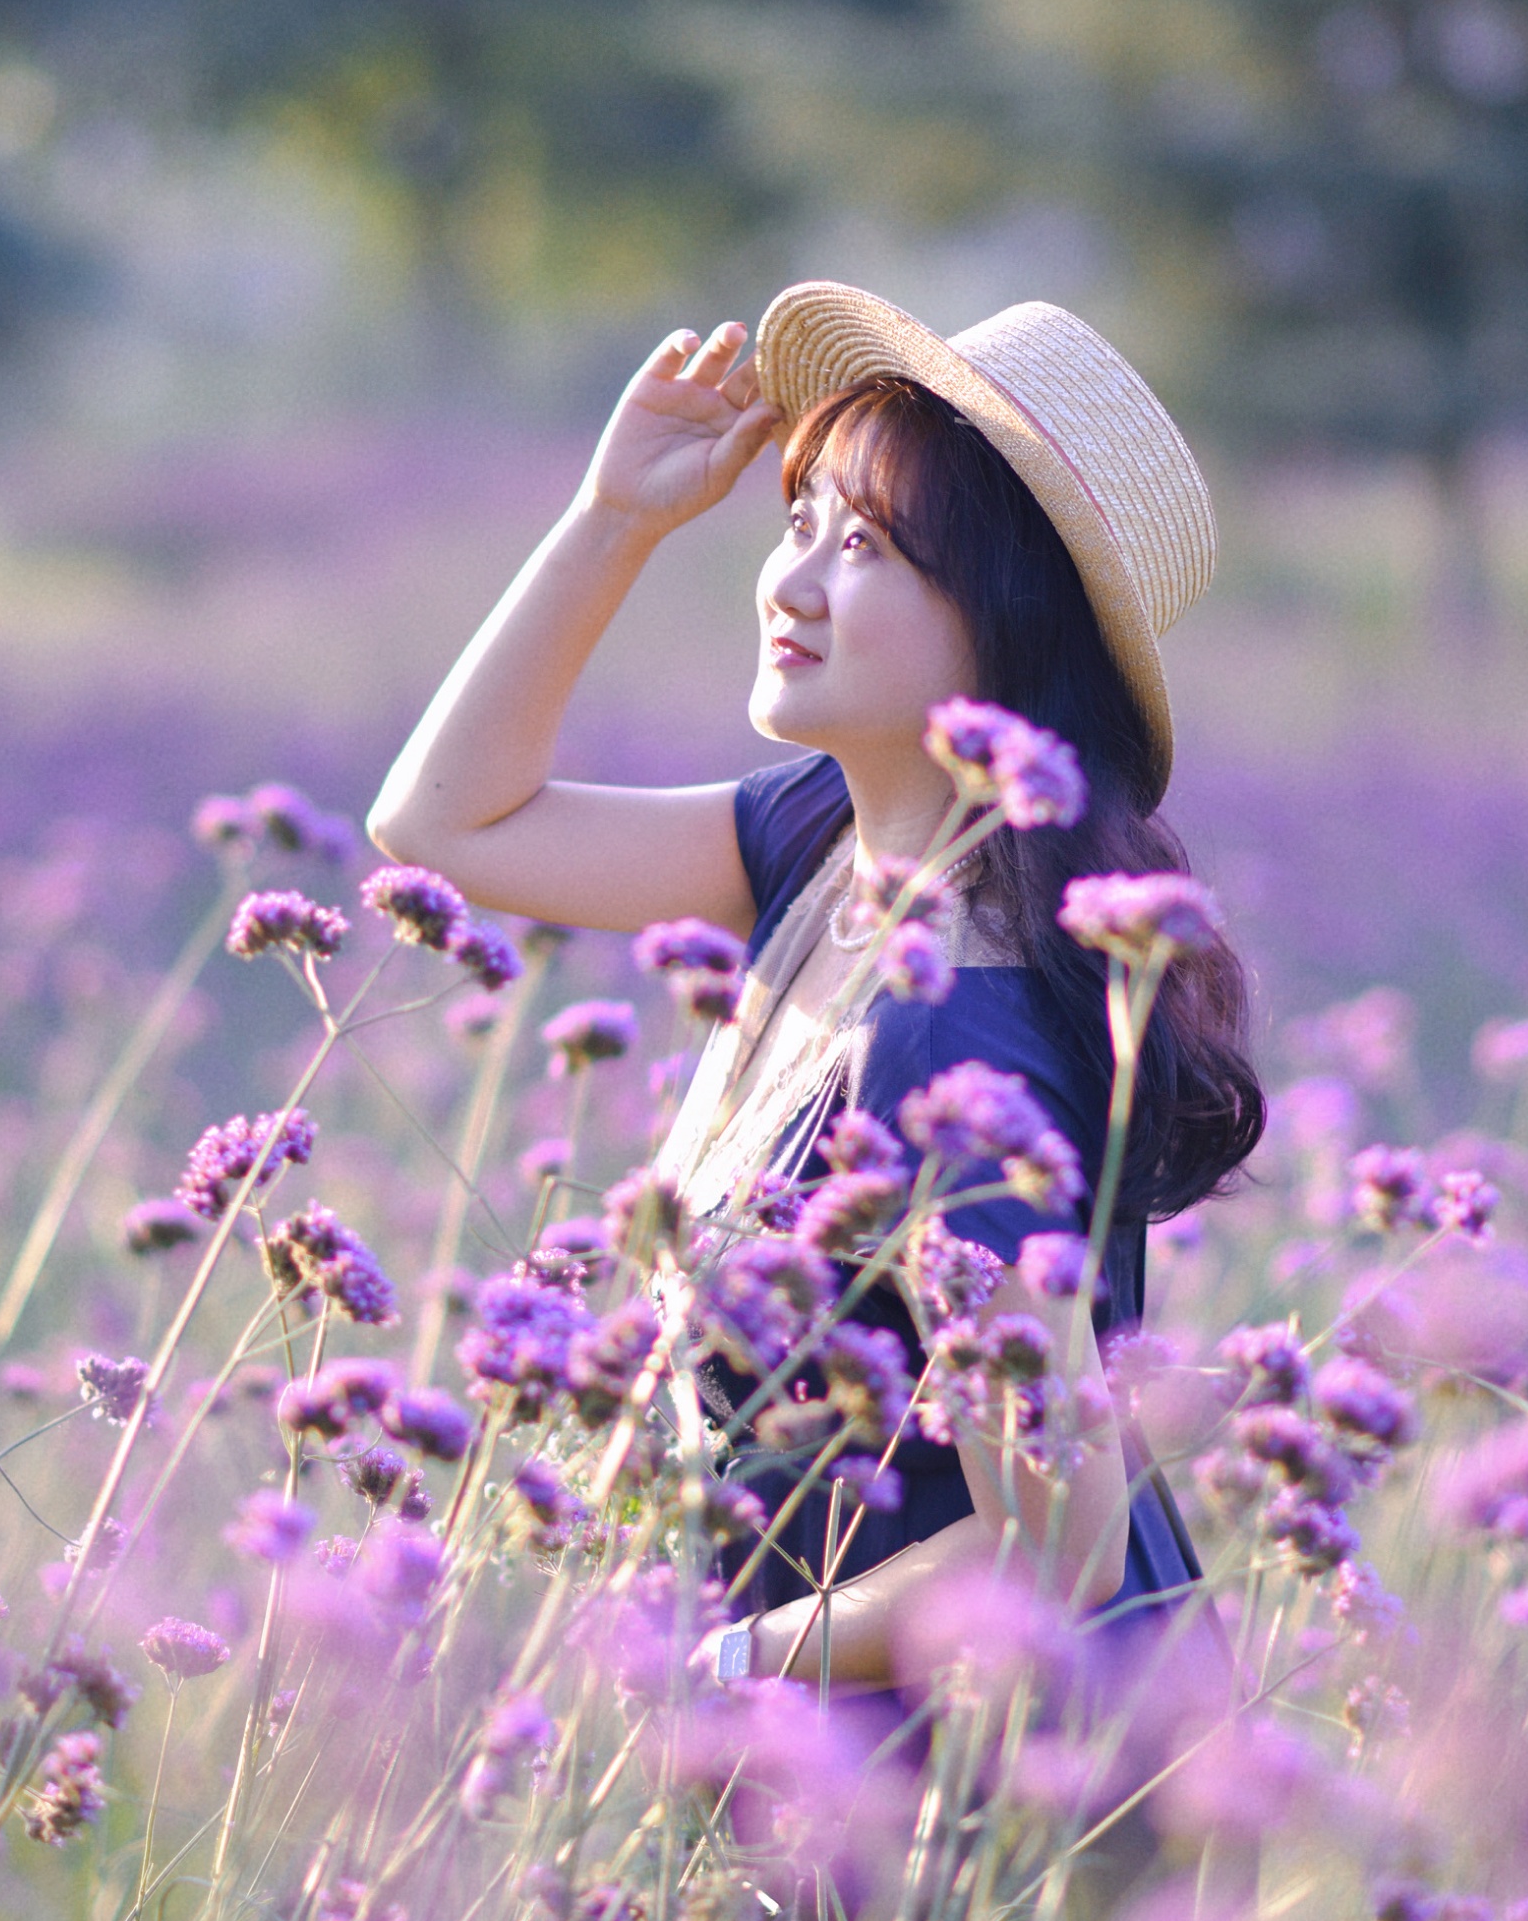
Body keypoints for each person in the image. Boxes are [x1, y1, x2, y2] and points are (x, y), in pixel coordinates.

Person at [369, 277, 1263, 1693]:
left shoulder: (954, 1037)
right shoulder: (822, 848)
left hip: (988, 1782)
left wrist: (723, 1667)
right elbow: (444, 827)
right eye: (799, 523)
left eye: (868, 548)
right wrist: (614, 519)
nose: (791, 585)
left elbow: (1065, 1544)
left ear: (1009, 623)